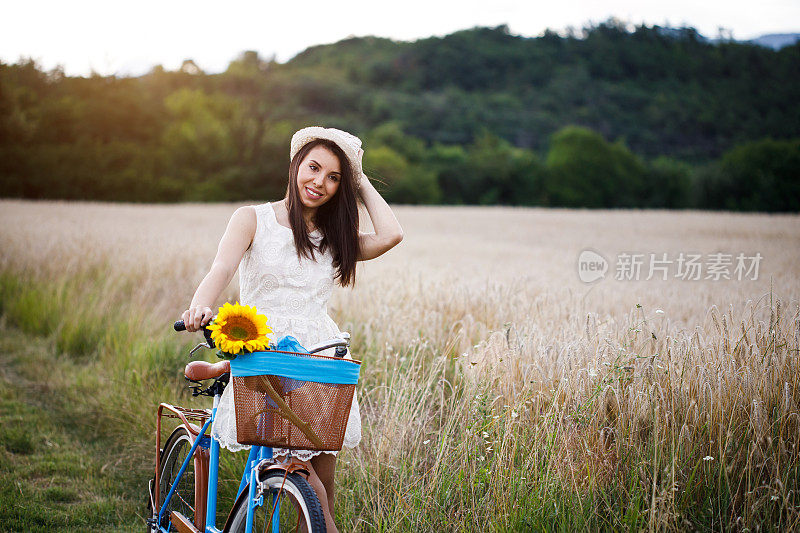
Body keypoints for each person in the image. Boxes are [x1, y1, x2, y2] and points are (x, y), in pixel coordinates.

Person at [181, 126, 403, 532]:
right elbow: (223, 267)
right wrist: (201, 304)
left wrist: (360, 177)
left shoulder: (335, 237)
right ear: (295, 163)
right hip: (263, 352)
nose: (320, 182)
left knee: (323, 483)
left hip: (319, 359)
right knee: (303, 473)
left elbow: (392, 234)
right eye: (314, 167)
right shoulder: (253, 218)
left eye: (334, 177)